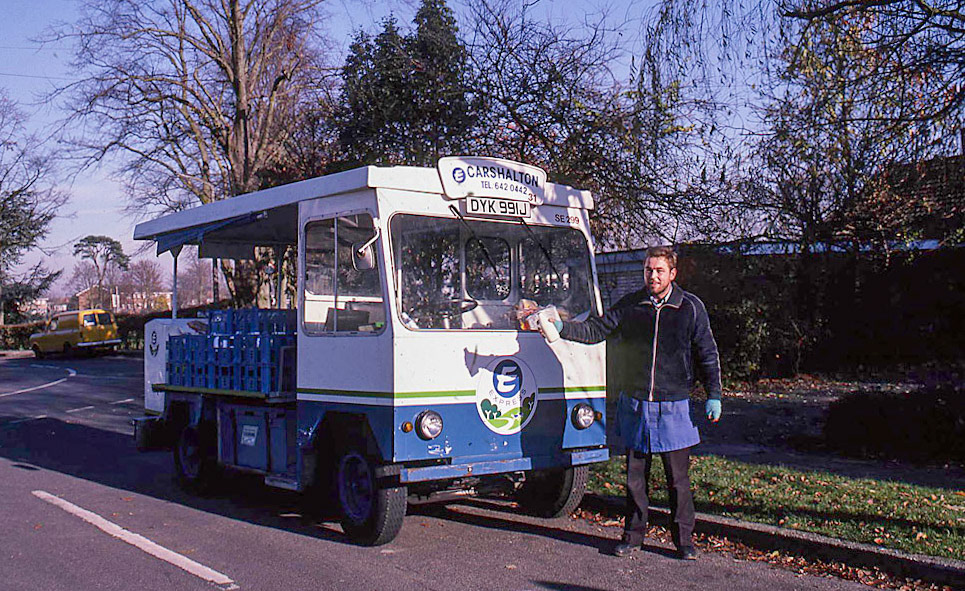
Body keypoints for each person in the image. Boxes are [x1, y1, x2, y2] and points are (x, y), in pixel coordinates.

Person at [548, 245, 722, 560]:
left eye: (659, 271)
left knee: (678, 481)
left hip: (673, 405)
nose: (653, 276)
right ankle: (633, 536)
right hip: (637, 404)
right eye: (648, 270)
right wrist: (562, 328)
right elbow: (595, 330)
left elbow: (707, 352)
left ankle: (684, 541)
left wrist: (714, 395)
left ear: (672, 274)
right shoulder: (631, 304)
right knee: (635, 479)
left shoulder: (690, 307)